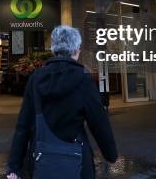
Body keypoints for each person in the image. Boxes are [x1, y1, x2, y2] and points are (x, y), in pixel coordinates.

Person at [7, 26, 118, 179]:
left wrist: (14, 165)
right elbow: (98, 121)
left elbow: (23, 124)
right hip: (77, 158)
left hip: (42, 158)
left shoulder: (36, 77)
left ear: (54, 49)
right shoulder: (84, 79)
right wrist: (110, 153)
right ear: (77, 49)